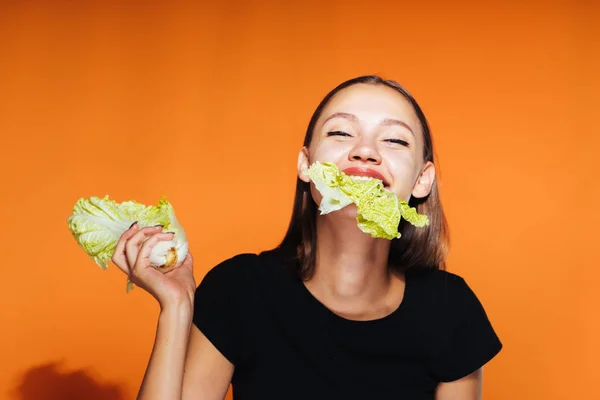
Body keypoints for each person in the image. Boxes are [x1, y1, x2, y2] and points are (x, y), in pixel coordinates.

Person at [111, 75, 502, 400]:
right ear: (306, 164)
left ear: (421, 180)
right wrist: (178, 306)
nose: (365, 151)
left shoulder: (451, 311)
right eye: (341, 132)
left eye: (395, 140)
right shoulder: (241, 289)